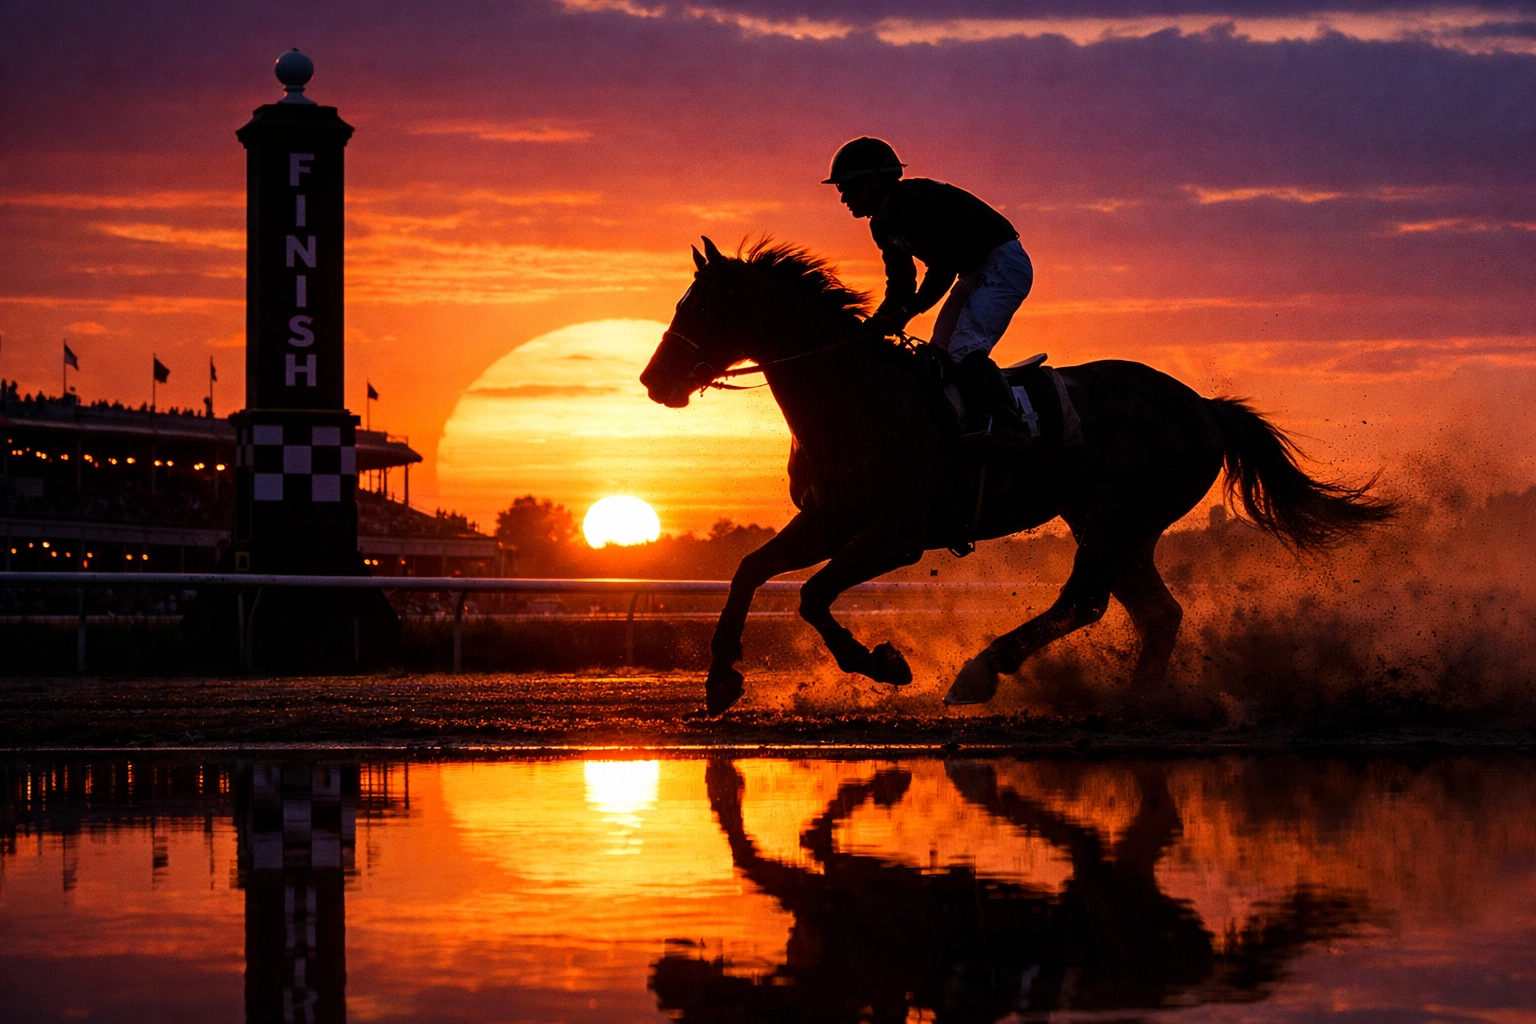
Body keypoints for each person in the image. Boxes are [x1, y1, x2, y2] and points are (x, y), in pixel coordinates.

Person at [824, 136, 1034, 447]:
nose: (844, 199)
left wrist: (904, 315)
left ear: (878, 182)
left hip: (1004, 263)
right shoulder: (881, 225)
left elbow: (943, 269)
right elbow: (902, 284)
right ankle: (970, 421)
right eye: (842, 190)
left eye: (850, 188)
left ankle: (1010, 425)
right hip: (975, 271)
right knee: (941, 352)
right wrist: (877, 323)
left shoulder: (917, 202)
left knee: (965, 348)